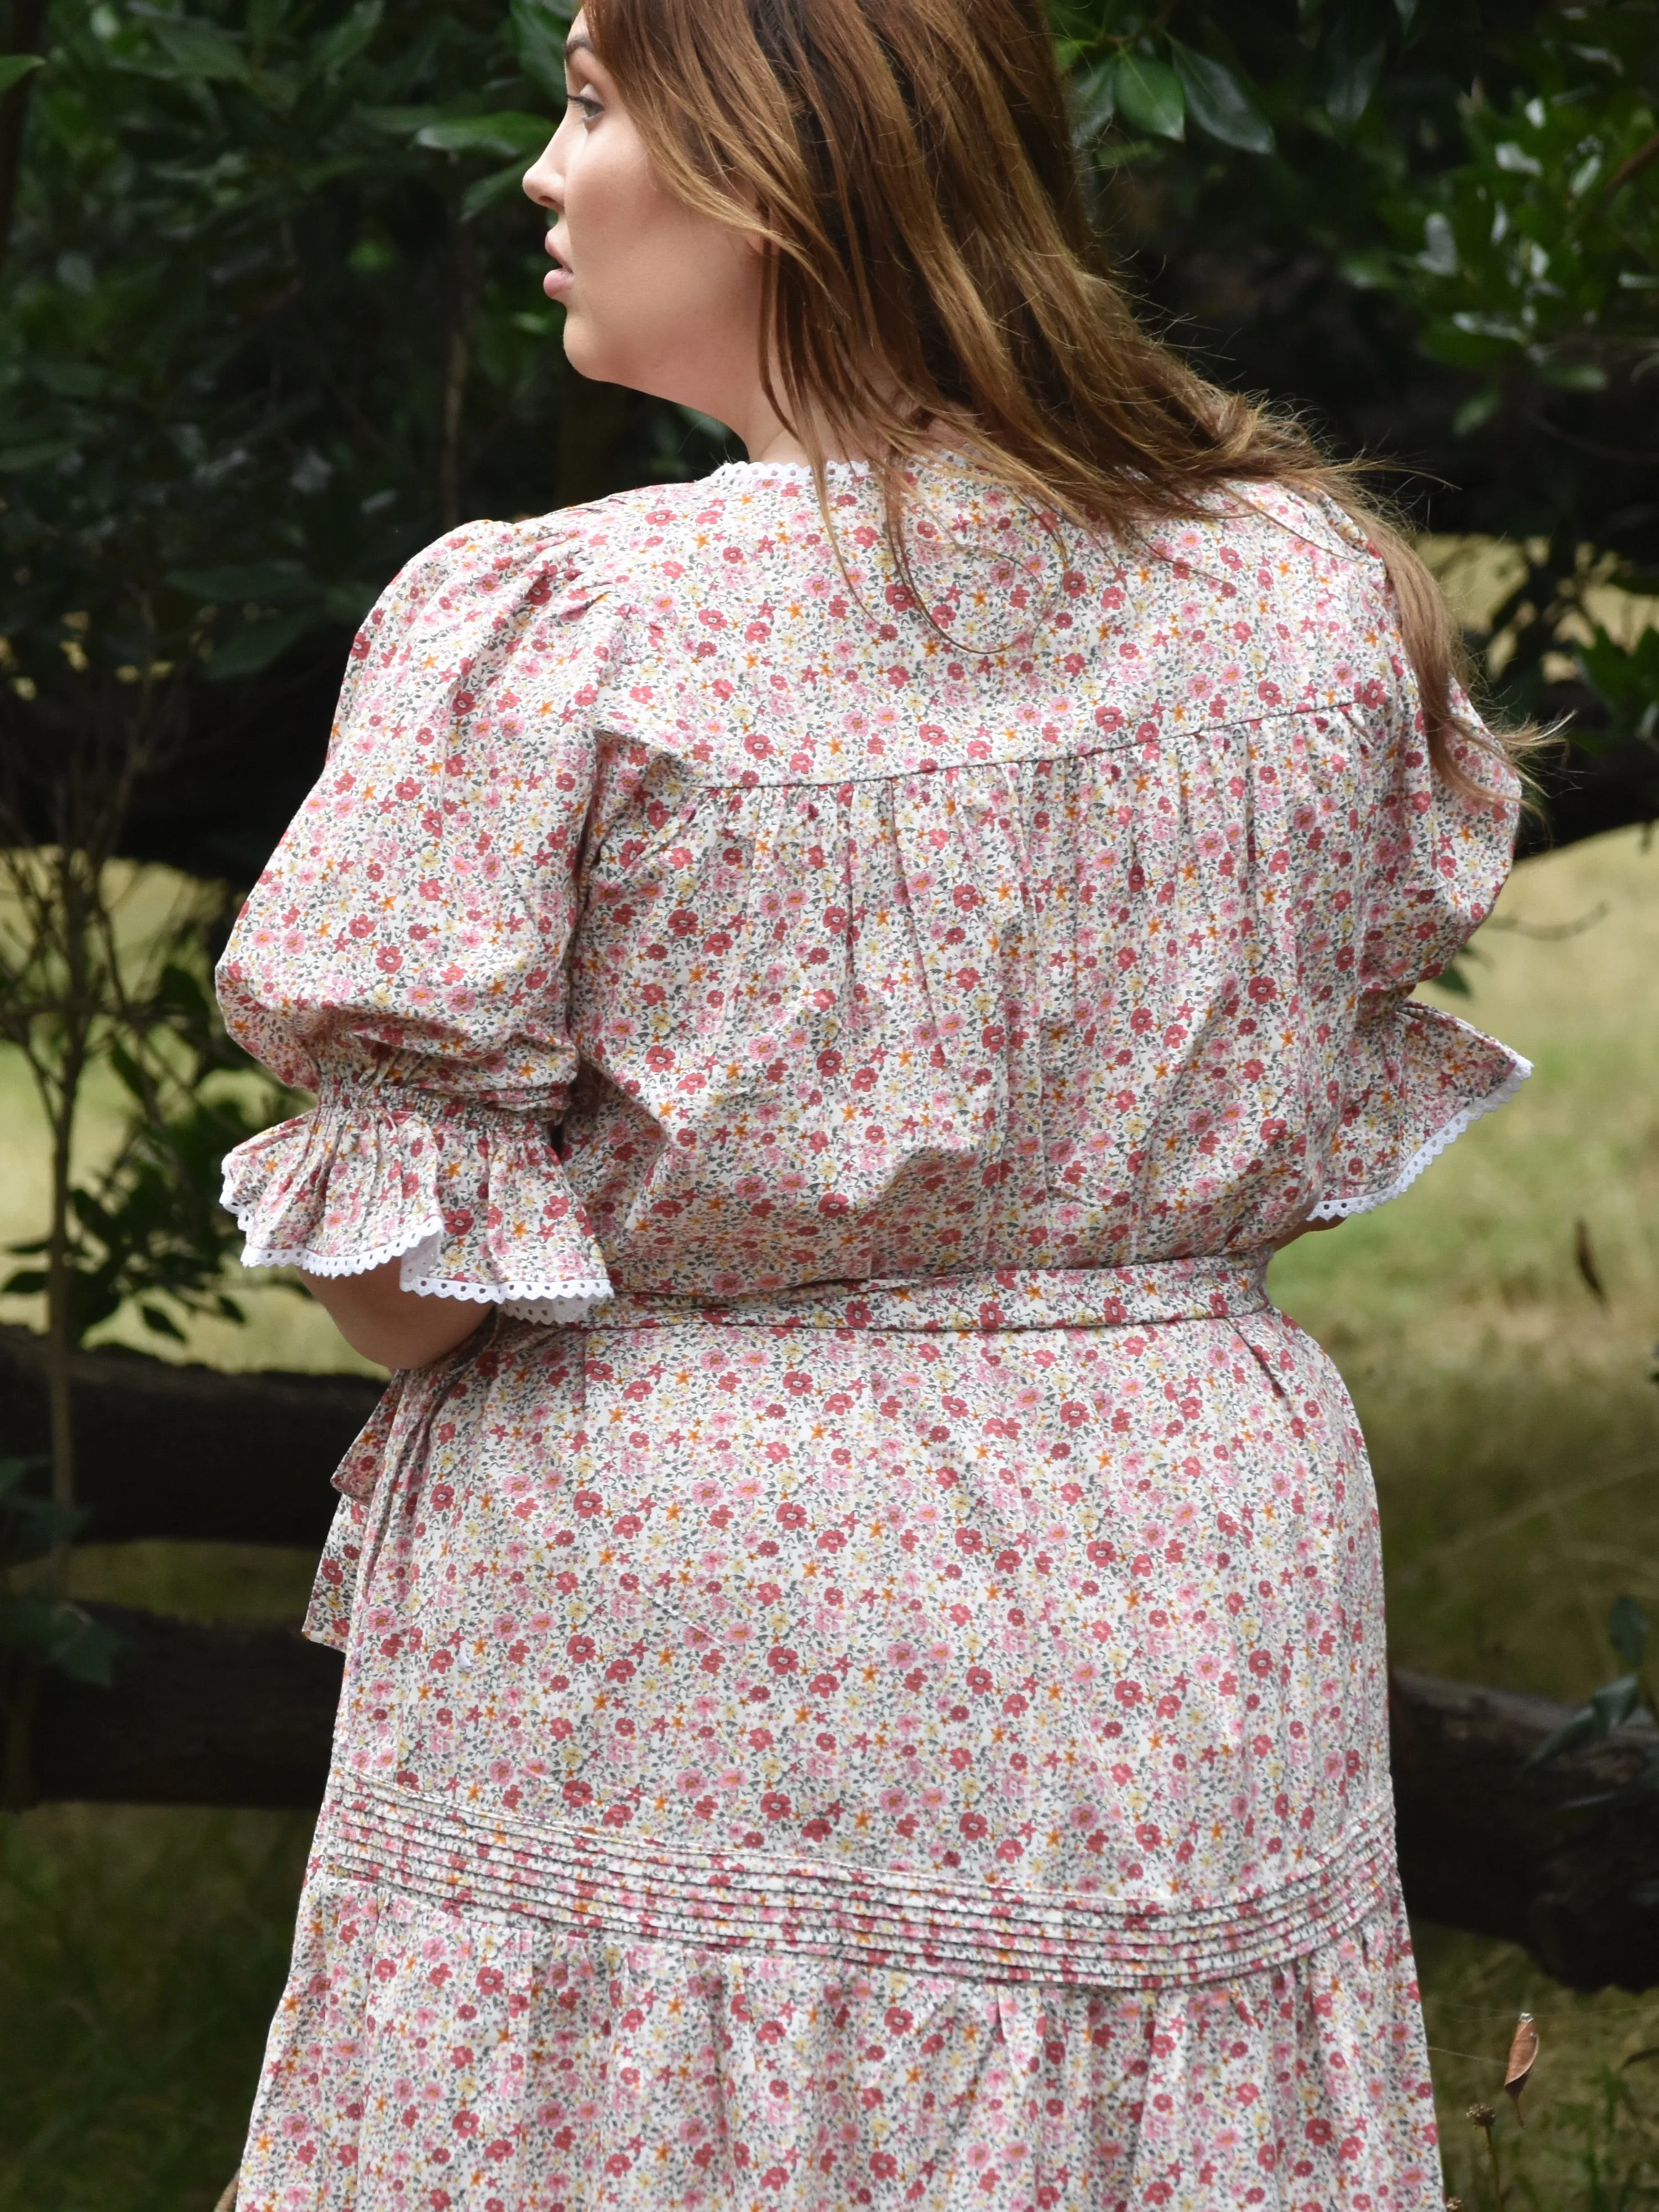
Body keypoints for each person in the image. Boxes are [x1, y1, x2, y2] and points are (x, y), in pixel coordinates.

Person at [215, 1, 1531, 2203]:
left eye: (594, 98)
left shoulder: (565, 631)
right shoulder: (1308, 606)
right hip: (1191, 1574)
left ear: (774, 162)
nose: (547, 173)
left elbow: (411, 1298)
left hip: (675, 1654)